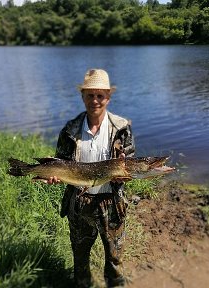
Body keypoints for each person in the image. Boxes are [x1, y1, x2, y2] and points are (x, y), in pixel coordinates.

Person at [48, 69, 135, 288]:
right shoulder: (69, 130)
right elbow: (61, 162)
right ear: (83, 96)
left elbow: (130, 165)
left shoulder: (122, 128)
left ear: (108, 97)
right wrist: (55, 176)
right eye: (90, 95)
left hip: (112, 204)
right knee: (80, 258)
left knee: (115, 259)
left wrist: (123, 176)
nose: (95, 100)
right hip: (80, 204)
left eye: (100, 95)